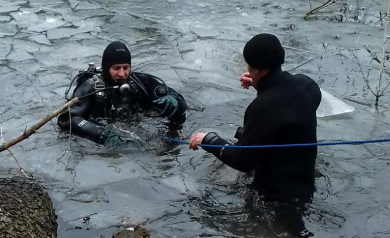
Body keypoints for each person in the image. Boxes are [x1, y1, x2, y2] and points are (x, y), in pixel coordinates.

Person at [189, 33, 321, 204]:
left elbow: (242, 161)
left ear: (257, 69)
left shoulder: (262, 107)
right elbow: (286, 104)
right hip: (304, 184)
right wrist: (261, 84)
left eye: (249, 65)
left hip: (274, 198)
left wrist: (209, 140)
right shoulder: (308, 85)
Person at [58, 41, 187, 148]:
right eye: (116, 68)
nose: (122, 74)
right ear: (106, 67)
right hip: (106, 136)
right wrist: (101, 134)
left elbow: (179, 100)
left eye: (125, 68)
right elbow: (68, 119)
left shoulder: (139, 82)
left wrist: (175, 103)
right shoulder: (89, 88)